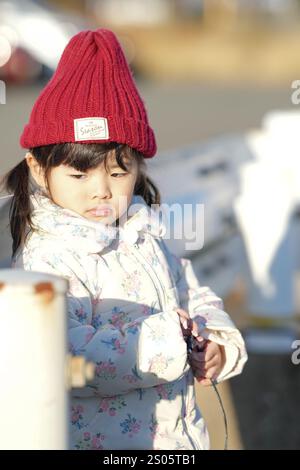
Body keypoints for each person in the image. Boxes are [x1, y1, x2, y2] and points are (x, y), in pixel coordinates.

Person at [1, 29, 247, 450]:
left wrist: (216, 343)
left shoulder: (142, 233)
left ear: (139, 168)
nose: (101, 190)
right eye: (78, 175)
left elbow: (193, 293)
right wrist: (168, 342)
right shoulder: (47, 257)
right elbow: (64, 356)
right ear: (39, 169)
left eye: (118, 172)